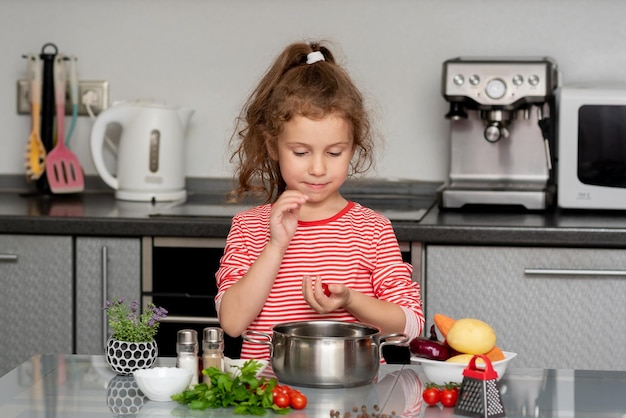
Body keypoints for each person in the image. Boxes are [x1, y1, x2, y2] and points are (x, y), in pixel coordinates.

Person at [215, 40, 424, 360]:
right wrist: (275, 246)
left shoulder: (373, 229)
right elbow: (232, 322)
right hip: (268, 400)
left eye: (334, 152)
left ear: (353, 148)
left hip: (355, 403)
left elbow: (410, 327)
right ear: (273, 147)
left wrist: (351, 300)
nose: (317, 168)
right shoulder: (250, 227)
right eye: (300, 152)